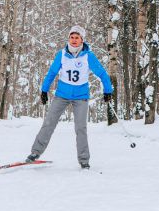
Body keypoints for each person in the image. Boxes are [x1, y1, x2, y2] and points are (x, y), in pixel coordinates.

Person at [26, 25, 113, 169]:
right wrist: (44, 90)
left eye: (77, 38)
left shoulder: (88, 56)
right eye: (71, 37)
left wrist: (107, 90)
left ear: (82, 40)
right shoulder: (61, 54)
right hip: (62, 95)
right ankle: (35, 153)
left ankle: (84, 161)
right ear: (68, 39)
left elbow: (102, 73)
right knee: (49, 123)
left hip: (81, 97)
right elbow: (52, 73)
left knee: (80, 128)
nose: (74, 40)